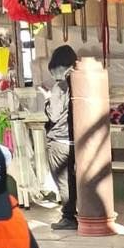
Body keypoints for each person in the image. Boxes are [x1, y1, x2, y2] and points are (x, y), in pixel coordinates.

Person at [45, 44, 77, 232]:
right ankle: (73, 211)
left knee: (63, 181)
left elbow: (54, 115)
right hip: (73, 140)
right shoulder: (77, 83)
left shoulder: (59, 87)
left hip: (59, 141)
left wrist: (48, 98)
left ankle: (68, 217)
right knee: (72, 180)